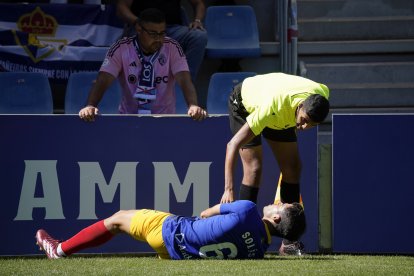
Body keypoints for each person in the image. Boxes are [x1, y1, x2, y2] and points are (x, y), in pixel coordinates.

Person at [220, 72, 330, 255]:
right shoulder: (272, 107)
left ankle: (289, 244)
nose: (304, 128)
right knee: (254, 169)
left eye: (311, 125)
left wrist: (300, 120)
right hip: (245, 104)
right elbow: (232, 145)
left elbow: (305, 114)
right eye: (303, 121)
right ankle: (241, 236)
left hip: (282, 113)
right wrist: (228, 188)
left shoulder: (321, 95)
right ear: (300, 105)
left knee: (293, 168)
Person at [35, 200, 306, 259]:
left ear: (277, 219)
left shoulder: (247, 209)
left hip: (170, 231)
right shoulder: (259, 252)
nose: (276, 202)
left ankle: (58, 249)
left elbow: (205, 213)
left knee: (116, 219)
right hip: (179, 254)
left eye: (281, 206)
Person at [78, 8, 207, 121]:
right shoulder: (121, 48)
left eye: (162, 33)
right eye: (153, 34)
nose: (158, 39)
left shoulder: (172, 47)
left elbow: (185, 80)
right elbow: (103, 80)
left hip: (165, 119)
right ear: (139, 29)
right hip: (129, 118)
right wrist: (91, 105)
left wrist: (193, 105)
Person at [116, 0, 207, 86]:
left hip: (173, 29)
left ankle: (184, 85)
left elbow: (198, 3)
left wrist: (197, 21)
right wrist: (138, 22)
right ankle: (144, 86)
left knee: (199, 36)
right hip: (144, 28)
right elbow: (122, 7)